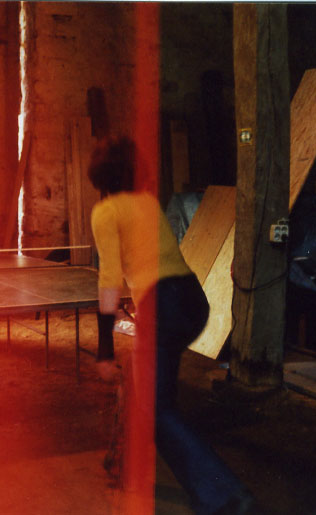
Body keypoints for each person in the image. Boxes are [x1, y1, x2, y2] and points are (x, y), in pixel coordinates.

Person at [88, 137, 254, 514]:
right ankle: (123, 466)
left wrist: (104, 351)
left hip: (162, 305)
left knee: (155, 408)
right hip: (192, 301)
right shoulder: (147, 202)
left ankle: (224, 495)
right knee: (146, 391)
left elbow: (109, 280)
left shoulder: (105, 211)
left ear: (98, 175)